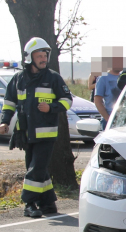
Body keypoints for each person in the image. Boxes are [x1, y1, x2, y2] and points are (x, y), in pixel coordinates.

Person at [0, 37, 73, 218]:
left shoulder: (53, 77)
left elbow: (67, 100)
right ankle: (47, 203)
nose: (43, 59)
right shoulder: (18, 79)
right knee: (38, 169)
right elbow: (9, 103)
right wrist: (5, 121)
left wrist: (51, 108)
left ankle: (29, 203)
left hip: (46, 134)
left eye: (45, 56)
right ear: (29, 58)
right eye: (39, 56)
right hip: (26, 134)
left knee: (36, 168)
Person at [93, 54, 124, 129]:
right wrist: (108, 118)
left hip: (125, 120)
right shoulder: (103, 78)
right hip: (109, 119)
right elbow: (98, 101)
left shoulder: (124, 77)